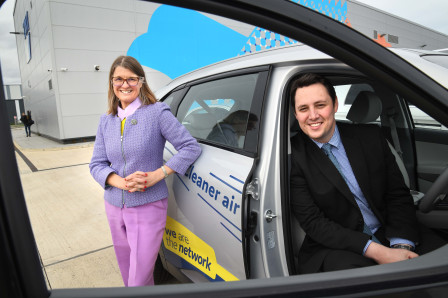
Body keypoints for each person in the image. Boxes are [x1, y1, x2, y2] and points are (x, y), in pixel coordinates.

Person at [289, 73, 446, 274]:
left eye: (320, 105)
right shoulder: (293, 155)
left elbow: (397, 194)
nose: (312, 115)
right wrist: (378, 251)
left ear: (335, 105)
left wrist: (401, 246)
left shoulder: (371, 137)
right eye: (303, 109)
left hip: (389, 230)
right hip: (338, 246)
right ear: (295, 114)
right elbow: (314, 222)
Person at [89, 56, 201, 287]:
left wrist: (159, 174)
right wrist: (117, 181)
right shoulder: (106, 121)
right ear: (112, 83)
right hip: (113, 205)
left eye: (131, 79)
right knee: (126, 270)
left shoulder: (157, 112)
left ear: (141, 82)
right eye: (119, 79)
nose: (125, 84)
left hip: (147, 206)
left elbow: (190, 147)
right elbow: (96, 164)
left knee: (138, 279)